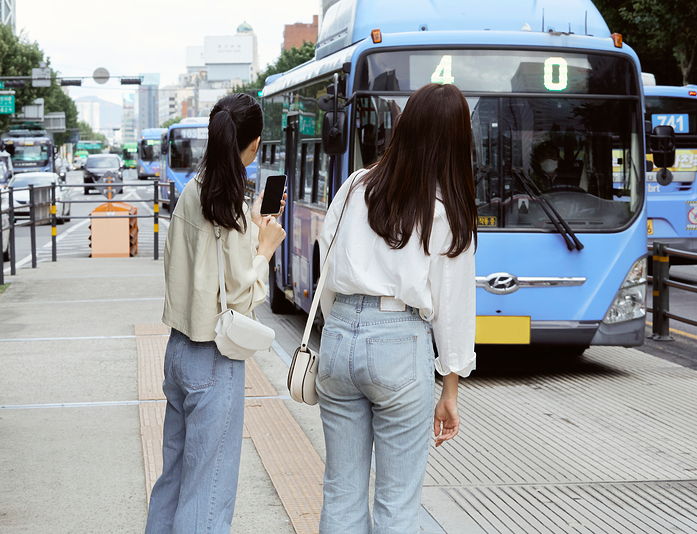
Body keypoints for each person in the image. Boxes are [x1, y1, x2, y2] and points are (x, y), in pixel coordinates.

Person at [316, 82, 478, 534]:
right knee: (396, 504)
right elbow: (454, 308)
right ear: (457, 141)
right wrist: (449, 390)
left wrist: (345, 325)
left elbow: (326, 265)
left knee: (341, 493)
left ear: (404, 127)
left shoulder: (354, 187)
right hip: (399, 342)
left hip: (340, 333)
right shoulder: (447, 212)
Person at [145, 93, 286, 534]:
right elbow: (242, 298)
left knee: (175, 478)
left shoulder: (193, 192)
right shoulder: (231, 210)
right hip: (213, 359)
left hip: (179, 350)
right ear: (255, 145)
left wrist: (251, 230)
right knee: (208, 494)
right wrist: (264, 248)